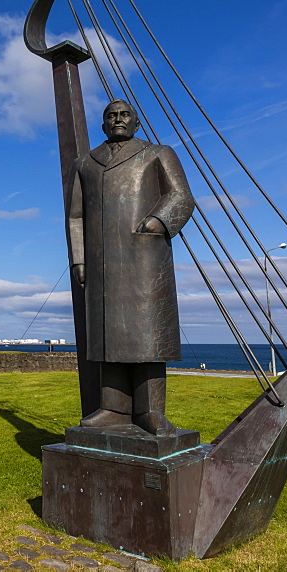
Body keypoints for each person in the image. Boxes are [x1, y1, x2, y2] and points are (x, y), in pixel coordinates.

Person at [68, 100, 194, 435]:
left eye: (124, 115)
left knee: (147, 336)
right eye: (111, 116)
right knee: (108, 337)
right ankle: (112, 408)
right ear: (103, 124)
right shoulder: (85, 164)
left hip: (145, 259)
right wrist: (79, 259)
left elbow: (181, 196)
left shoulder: (157, 153)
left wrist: (155, 222)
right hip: (102, 262)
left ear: (136, 123)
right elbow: (76, 217)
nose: (117, 120)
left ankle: (151, 411)